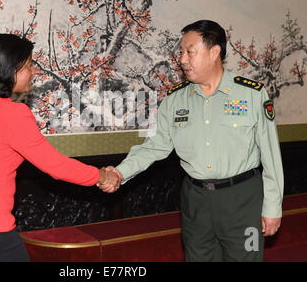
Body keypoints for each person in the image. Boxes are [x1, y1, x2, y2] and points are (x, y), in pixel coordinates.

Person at [100, 20, 284, 262]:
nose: (182, 59)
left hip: (242, 199)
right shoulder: (175, 100)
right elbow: (154, 147)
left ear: (215, 52)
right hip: (196, 201)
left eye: (190, 52)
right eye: (181, 52)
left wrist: (272, 208)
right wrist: (120, 173)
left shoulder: (251, 94)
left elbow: (271, 156)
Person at [0, 33, 121, 262]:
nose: (33, 72)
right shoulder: (13, 114)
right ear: (9, 70)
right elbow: (56, 166)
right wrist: (101, 175)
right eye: (28, 66)